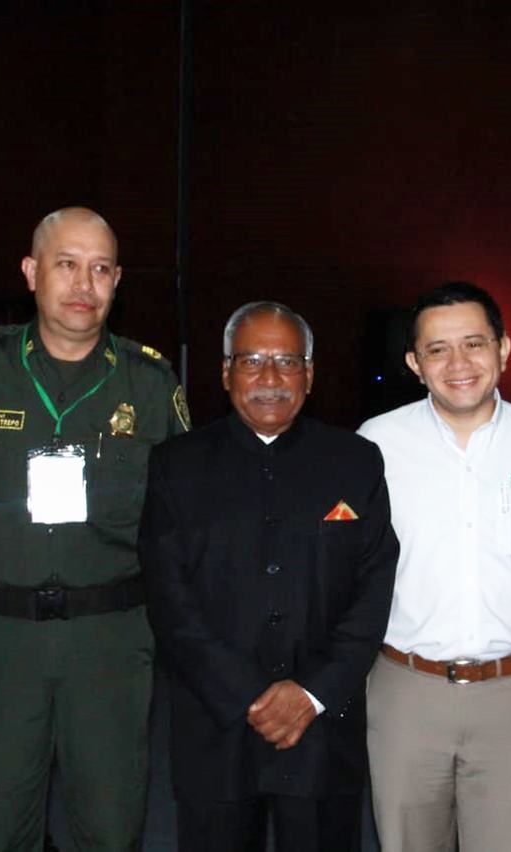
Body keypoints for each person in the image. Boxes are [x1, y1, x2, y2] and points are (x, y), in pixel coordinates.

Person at [0, 206, 190, 850]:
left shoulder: (150, 382)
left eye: (100, 269)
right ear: (30, 272)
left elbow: (181, 514)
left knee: (110, 827)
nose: (84, 284)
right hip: (1, 642)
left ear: (117, 279)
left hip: (110, 639)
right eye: (66, 265)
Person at [139, 301, 399, 851]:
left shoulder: (355, 461)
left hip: (324, 725)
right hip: (217, 725)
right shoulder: (176, 466)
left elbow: (373, 589)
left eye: (287, 361)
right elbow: (169, 600)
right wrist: (247, 694)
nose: (270, 378)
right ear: (226, 371)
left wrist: (312, 692)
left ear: (310, 373)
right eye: (252, 361)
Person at [357, 282, 511, 852]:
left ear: (504, 349)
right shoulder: (375, 445)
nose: (458, 363)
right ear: (414, 362)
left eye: (474, 343)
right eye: (437, 349)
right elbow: (348, 569)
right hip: (406, 690)